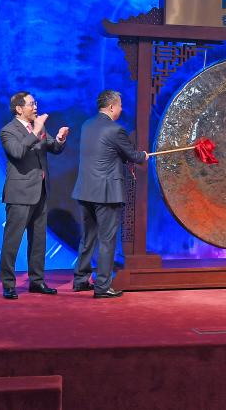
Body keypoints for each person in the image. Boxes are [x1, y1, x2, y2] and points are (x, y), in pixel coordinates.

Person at [72, 90, 146, 298]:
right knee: (107, 240)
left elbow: (105, 153)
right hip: (106, 193)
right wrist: (143, 156)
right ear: (112, 107)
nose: (121, 109)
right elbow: (132, 155)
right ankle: (103, 286)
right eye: (120, 105)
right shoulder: (115, 130)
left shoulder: (87, 125)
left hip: (85, 190)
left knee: (88, 238)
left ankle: (80, 279)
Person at [0, 91, 68, 300]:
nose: (35, 107)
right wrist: (36, 130)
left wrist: (59, 139)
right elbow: (18, 153)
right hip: (20, 192)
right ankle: (8, 283)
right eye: (31, 104)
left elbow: (52, 148)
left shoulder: (39, 127)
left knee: (38, 239)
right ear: (19, 109)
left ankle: (37, 281)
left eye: (35, 103)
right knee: (13, 240)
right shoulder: (8, 131)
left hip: (41, 190)